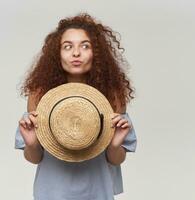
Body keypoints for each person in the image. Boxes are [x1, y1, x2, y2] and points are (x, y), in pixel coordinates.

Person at [14, 13, 137, 200]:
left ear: (96, 52)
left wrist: (114, 145)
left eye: (85, 46)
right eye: (67, 46)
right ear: (57, 54)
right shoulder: (41, 95)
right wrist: (31, 144)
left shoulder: (112, 96)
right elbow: (34, 158)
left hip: (97, 192)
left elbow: (116, 159)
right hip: (51, 193)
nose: (76, 53)